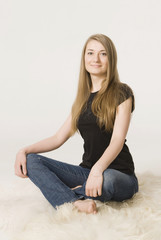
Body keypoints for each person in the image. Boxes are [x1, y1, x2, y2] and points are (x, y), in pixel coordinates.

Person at [14, 34, 139, 214]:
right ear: (84, 58)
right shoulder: (82, 99)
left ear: (111, 59)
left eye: (103, 54)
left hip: (119, 175)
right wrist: (23, 151)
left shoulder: (122, 92)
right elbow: (58, 138)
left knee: (108, 179)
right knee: (32, 160)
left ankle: (66, 195)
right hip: (87, 173)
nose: (95, 59)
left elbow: (117, 140)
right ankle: (76, 201)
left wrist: (98, 171)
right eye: (90, 53)